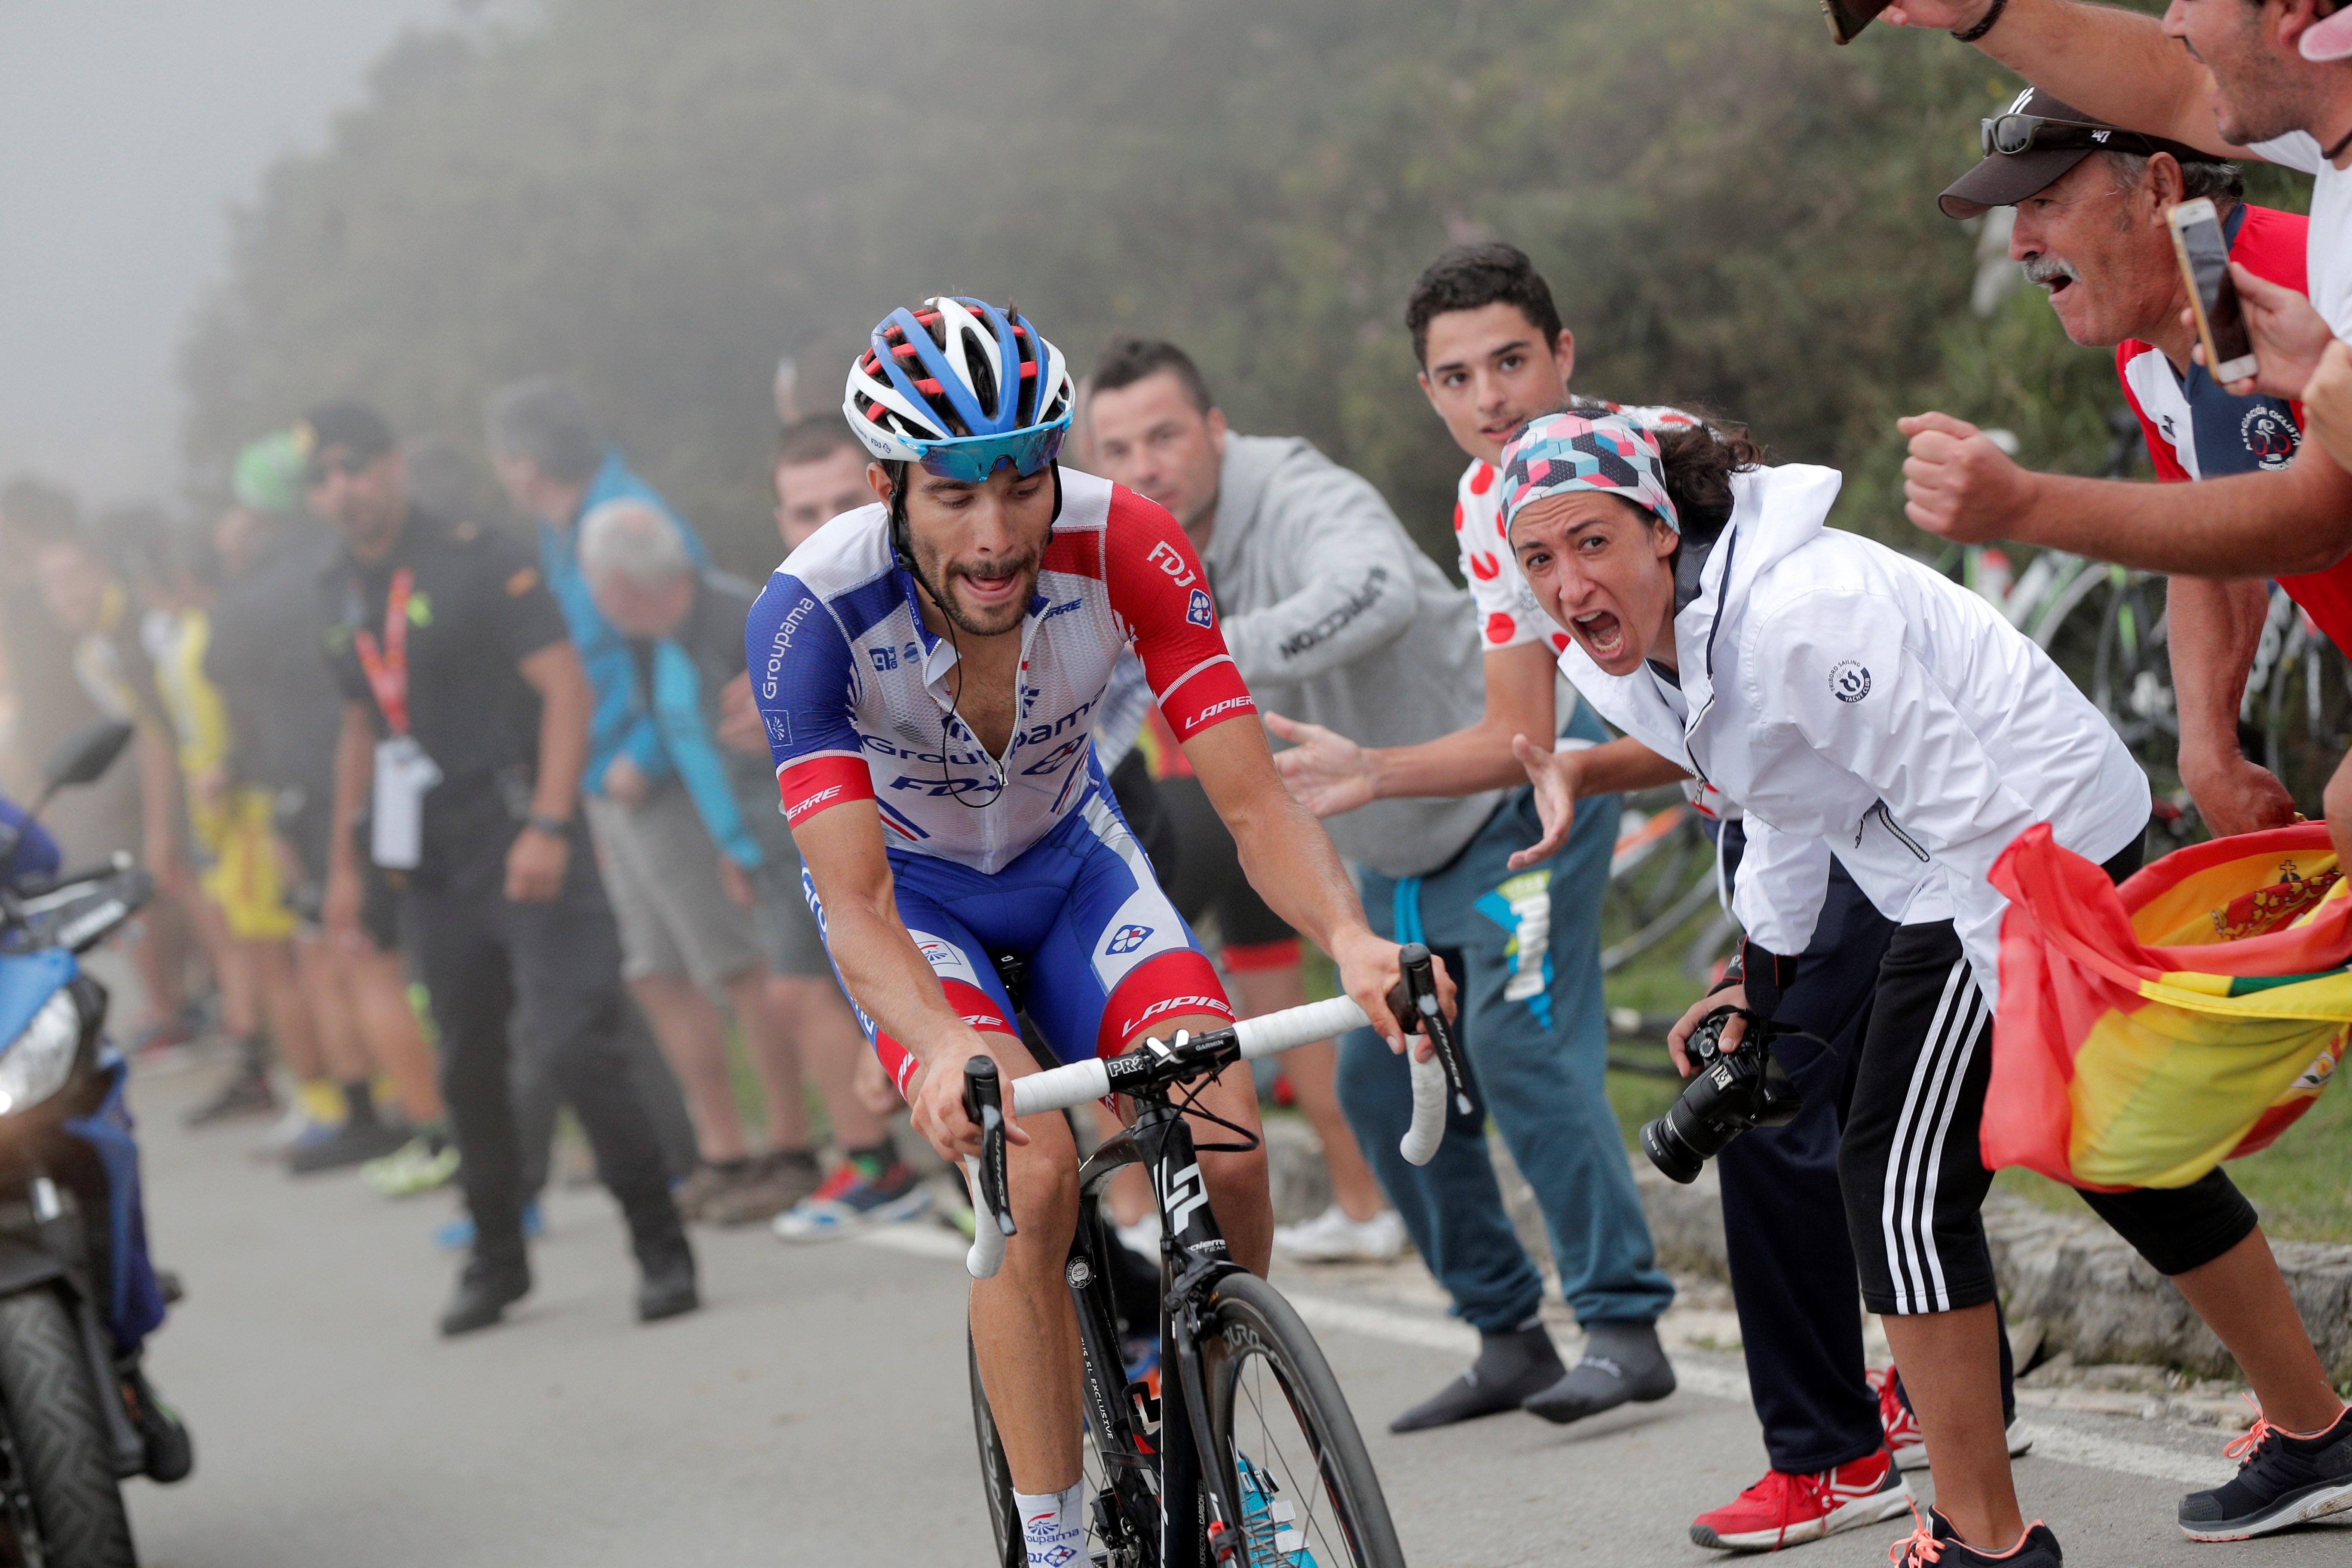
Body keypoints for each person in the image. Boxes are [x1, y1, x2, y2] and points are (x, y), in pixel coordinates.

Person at [1499, 408, 2351, 1565]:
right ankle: (2319, 1437)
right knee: (2108, 1143)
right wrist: (1765, 981)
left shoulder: (1801, 618)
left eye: (1592, 543)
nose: (1566, 584)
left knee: (1896, 1176)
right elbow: (1783, 799)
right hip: (1936, 861)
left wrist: (2041, 1017)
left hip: (2018, 844)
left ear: (1662, 530)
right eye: (1538, 558)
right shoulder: (1629, 656)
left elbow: (1976, 821)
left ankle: (1982, 1540)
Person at [1266, 240, 1959, 1542]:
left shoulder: (1663, 453)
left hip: (1850, 790)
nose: (1491, 395)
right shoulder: (1489, 514)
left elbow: (1775, 678)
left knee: (1771, 1112)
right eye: (1457, 376)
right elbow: (1529, 739)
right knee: (1847, 1117)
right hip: (1763, 818)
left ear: (1565, 355)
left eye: (1512, 361)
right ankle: (1910, 1401)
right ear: (1429, 395)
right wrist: (1382, 770)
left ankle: (1831, 1441)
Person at [748, 297, 1433, 1568]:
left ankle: (1226, 1459)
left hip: (1075, 874)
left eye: (1021, 486)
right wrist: (938, 1041)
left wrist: (1350, 938)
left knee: (1227, 1141)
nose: (998, 536)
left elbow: (1253, 801)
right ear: (888, 486)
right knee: (1037, 1170)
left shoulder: (1131, 543)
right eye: (954, 497)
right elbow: (852, 903)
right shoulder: (811, 613)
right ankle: (1057, 1542)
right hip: (921, 912)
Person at [1086, 329, 1679, 1433]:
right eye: (1117, 447)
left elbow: (1374, 591)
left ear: (1217, 429)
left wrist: (1201, 648)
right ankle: (1506, 1335)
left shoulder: (1298, 487)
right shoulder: (1126, 541)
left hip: (1504, 800)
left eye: (1166, 434)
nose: (1146, 465)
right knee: (1376, 1086)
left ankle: (1625, 1326)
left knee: (1518, 1048)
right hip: (1389, 849)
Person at [1886, 0, 2352, 856]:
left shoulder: (2304, 281)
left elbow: (2314, 520)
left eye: (2047, 202)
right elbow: (2212, 550)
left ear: (2164, 189)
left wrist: (2023, 504)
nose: (2023, 243)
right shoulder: (2164, 339)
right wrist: (2208, 749)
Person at [308, 400, 697, 1335]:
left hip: (524, 830)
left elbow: (563, 688)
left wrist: (553, 822)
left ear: (393, 467)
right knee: (467, 1061)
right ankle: (496, 1257)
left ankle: (658, 1242)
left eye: (355, 466)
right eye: (323, 476)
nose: (342, 489)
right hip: (429, 859)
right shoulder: (335, 591)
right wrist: (346, 869)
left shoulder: (481, 556)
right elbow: (362, 727)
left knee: (573, 1044)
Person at [205, 431, 450, 1179]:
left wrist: (233, 570)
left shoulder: (250, 596)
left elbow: (225, 678)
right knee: (408, 950)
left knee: (349, 956)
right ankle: (440, 1114)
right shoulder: (353, 566)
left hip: (311, 787)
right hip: (405, 767)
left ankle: (418, 1124)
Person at [748, 416, 934, 1237]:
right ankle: (874, 1165)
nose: (824, 525)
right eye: (800, 511)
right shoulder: (784, 620)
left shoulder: (944, 580)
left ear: (879, 491)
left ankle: (1139, 1243)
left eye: (838, 500)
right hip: (879, 875)